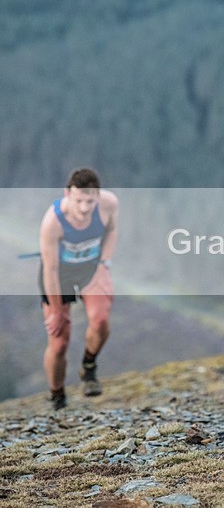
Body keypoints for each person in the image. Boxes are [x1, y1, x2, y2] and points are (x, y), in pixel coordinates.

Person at [39, 168, 118, 410]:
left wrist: (104, 265)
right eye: (79, 201)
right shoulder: (53, 222)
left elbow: (112, 231)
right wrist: (55, 311)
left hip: (90, 269)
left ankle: (89, 367)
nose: (84, 208)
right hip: (59, 275)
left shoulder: (109, 203)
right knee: (59, 341)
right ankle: (57, 396)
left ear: (98, 196)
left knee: (101, 320)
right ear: (67, 194)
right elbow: (50, 270)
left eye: (90, 201)